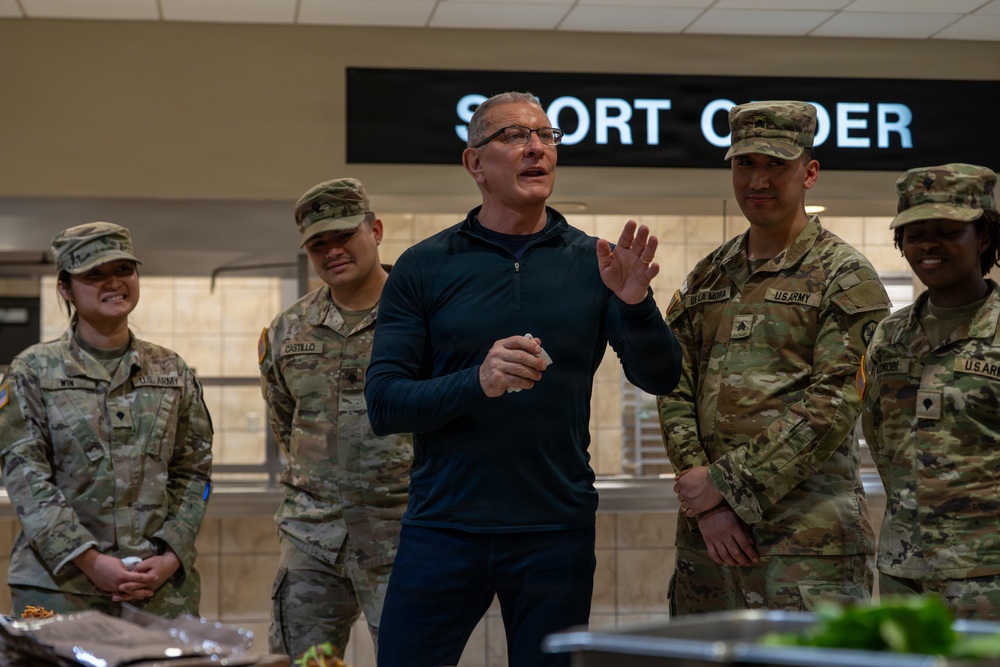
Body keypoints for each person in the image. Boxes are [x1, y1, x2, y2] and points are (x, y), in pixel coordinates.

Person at [364, 91, 682, 667]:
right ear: (474, 164)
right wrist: (477, 380)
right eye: (513, 136)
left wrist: (636, 305)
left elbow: (660, 377)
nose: (536, 148)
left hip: (553, 530)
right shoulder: (424, 265)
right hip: (443, 527)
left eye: (546, 135)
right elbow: (385, 404)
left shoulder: (594, 262)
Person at [656, 101, 891, 615]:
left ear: (809, 173)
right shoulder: (708, 276)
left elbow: (833, 405)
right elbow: (673, 383)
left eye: (775, 165)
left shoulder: (845, 276)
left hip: (809, 545)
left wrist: (723, 486)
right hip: (709, 543)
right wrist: (705, 499)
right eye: (745, 164)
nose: (757, 180)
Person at [0, 221, 213, 618]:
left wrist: (170, 554)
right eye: (93, 274)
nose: (112, 282)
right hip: (59, 590)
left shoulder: (171, 369)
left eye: (123, 269)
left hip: (158, 591)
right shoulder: (33, 370)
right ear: (65, 287)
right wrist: (90, 560)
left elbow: (195, 474)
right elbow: (26, 480)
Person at [258, 177, 412, 659]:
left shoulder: (420, 319)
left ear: (376, 230)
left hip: (403, 537)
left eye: (344, 235)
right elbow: (286, 421)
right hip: (314, 542)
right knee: (303, 662)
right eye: (318, 243)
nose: (332, 251)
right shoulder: (288, 329)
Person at [861, 163, 1000, 620]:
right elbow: (881, 439)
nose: (927, 245)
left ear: (982, 237)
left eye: (946, 230)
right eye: (914, 232)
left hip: (988, 574)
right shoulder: (890, 336)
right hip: (905, 569)